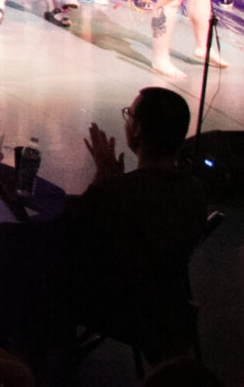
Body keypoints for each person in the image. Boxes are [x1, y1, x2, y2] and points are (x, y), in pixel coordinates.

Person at [68, 87, 208, 364]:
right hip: (168, 310)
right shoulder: (196, 192)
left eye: (129, 115)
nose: (127, 120)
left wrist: (102, 182)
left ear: (138, 128)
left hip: (115, 304)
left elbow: (70, 232)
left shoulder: (115, 194)